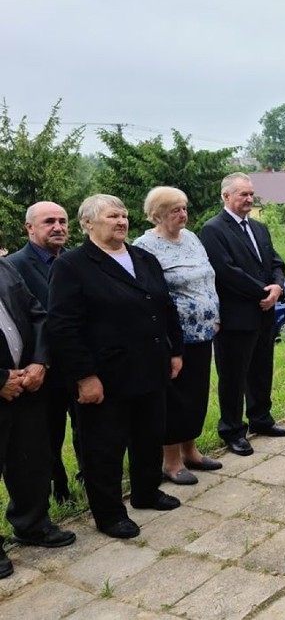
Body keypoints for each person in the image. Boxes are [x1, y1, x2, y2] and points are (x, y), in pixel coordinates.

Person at [48, 194, 184, 539]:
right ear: (88, 223)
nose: (121, 221)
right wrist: (85, 376)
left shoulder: (143, 258)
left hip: (151, 367)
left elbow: (165, 308)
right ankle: (109, 514)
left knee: (148, 435)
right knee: (104, 448)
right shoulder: (73, 266)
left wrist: (175, 351)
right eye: (112, 216)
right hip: (107, 376)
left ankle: (146, 491)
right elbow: (64, 326)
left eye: (124, 215)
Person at [134, 187, 222, 485]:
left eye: (184, 208)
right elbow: (151, 295)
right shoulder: (146, 246)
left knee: (197, 394)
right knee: (175, 398)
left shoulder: (193, 238)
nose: (182, 215)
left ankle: (190, 451)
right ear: (157, 214)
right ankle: (169, 461)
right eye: (175, 210)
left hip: (204, 331)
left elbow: (208, 277)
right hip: (174, 337)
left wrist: (215, 313)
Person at [200, 173, 285, 457]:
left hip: (264, 313)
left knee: (262, 368)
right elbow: (226, 272)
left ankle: (261, 419)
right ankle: (232, 430)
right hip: (236, 316)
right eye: (243, 195)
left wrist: (278, 286)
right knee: (233, 375)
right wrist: (263, 293)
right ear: (226, 196)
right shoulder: (213, 230)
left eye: (251, 194)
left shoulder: (260, 228)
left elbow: (276, 262)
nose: (249, 199)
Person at [0, 257, 76, 579]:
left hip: (27, 385)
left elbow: (37, 315)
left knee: (30, 459)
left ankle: (32, 525)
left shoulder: (4, 268)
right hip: (3, 384)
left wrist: (40, 362)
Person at [7, 201, 83, 502]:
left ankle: (89, 477)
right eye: (49, 221)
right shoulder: (15, 266)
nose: (58, 227)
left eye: (63, 221)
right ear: (29, 228)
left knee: (87, 429)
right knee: (49, 435)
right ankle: (59, 489)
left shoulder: (77, 261)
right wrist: (41, 361)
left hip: (80, 365)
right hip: (44, 369)